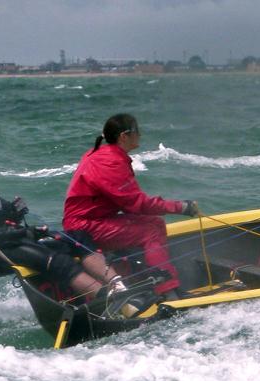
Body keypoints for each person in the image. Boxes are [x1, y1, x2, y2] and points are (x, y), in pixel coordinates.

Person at [0, 135, 139, 317]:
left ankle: (119, 286)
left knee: (78, 238)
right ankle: (118, 305)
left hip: (7, 239)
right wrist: (23, 232)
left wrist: (14, 210)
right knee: (59, 263)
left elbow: (1, 213)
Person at [63, 113, 198, 298]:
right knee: (150, 231)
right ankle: (168, 290)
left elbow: (129, 204)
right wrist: (181, 207)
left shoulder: (103, 155)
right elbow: (137, 204)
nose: (140, 135)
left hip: (92, 221)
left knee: (152, 223)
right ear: (124, 136)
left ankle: (133, 282)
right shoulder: (110, 162)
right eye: (136, 131)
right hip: (85, 226)